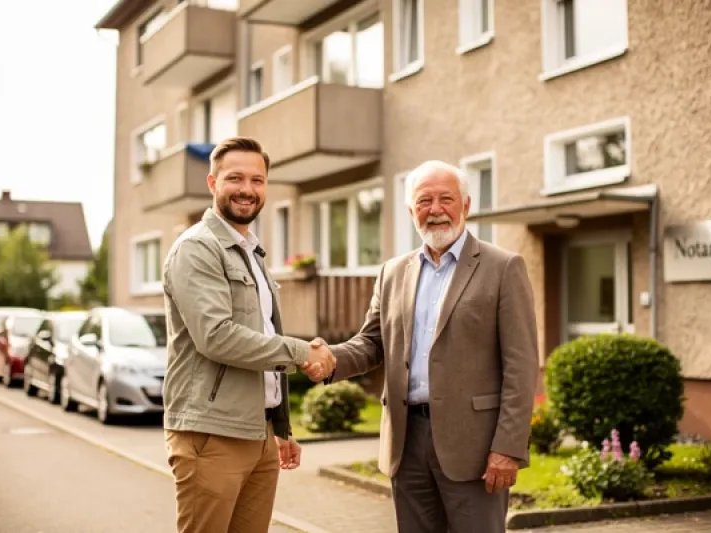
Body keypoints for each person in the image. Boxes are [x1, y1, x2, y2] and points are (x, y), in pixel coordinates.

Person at [307, 160, 539, 533]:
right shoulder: (392, 272)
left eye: (445, 199)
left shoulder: (503, 267)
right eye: (424, 201)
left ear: (465, 205)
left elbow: (521, 366)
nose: (435, 210)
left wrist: (508, 448)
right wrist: (330, 358)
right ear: (411, 211)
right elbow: (371, 343)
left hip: (475, 446)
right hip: (406, 441)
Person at [162, 136, 336, 533]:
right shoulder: (197, 249)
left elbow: (263, 336)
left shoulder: (251, 252)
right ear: (212, 183)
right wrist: (301, 351)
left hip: (258, 435)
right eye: (235, 178)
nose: (247, 189)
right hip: (212, 433)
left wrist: (280, 427)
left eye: (257, 180)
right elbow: (217, 337)